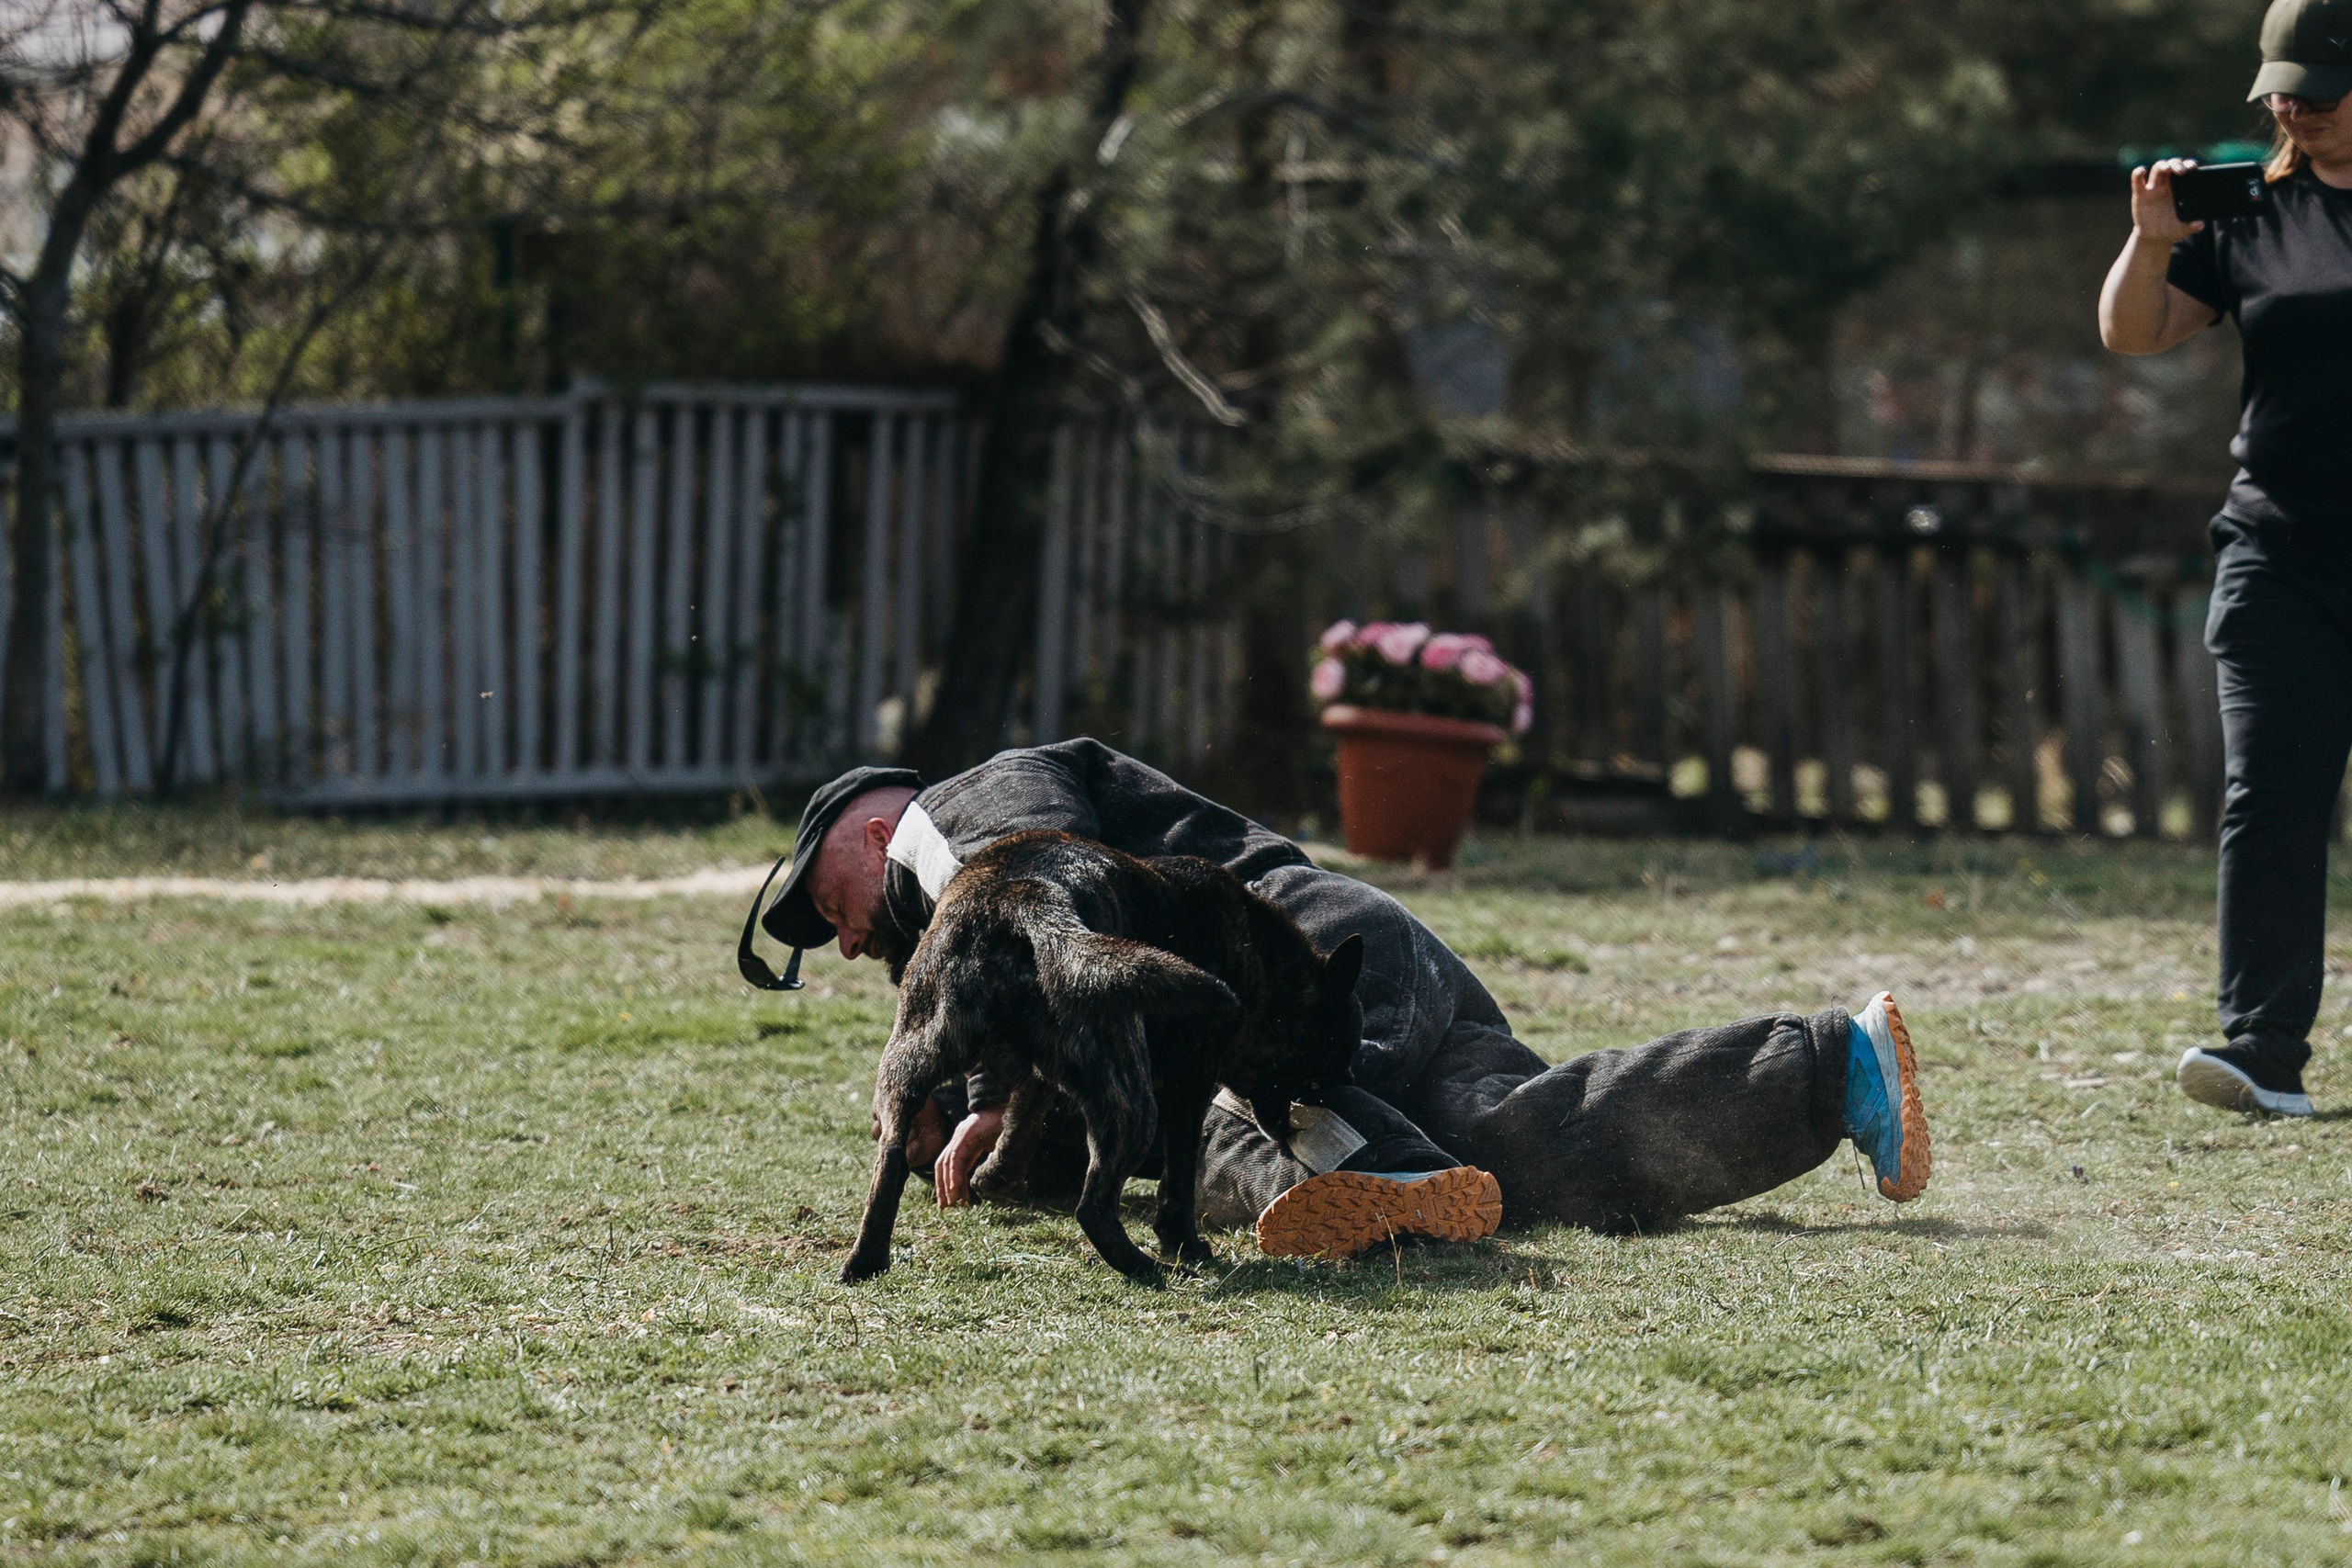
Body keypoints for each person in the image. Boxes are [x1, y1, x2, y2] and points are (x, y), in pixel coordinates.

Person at [739, 740, 1932, 1258]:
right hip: (1364, 951)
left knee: (1279, 1121)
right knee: (1519, 1150)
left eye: (823, 902)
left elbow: (1042, 905)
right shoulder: (943, 922)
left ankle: (1369, 1178)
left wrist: (999, 1093)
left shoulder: (952, 818)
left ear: (880, 829)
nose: (840, 941)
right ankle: (1833, 1068)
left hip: (1289, 962)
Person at [2098, 0, 2352, 1118]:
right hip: (2277, 552)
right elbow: (2133, 333)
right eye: (2279, 85)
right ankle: (2262, 1053)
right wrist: (2152, 241)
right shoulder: (2255, 214)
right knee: (2272, 797)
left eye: (2320, 85)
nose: (2293, 105)